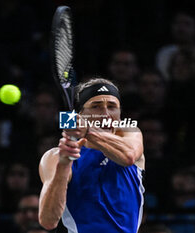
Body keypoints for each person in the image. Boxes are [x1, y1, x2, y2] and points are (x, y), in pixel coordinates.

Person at [38, 78, 145, 232]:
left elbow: (128, 156)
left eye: (112, 106)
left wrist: (88, 130)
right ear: (80, 114)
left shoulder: (129, 133)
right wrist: (64, 164)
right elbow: (48, 221)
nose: (106, 114)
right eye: (96, 106)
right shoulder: (54, 157)